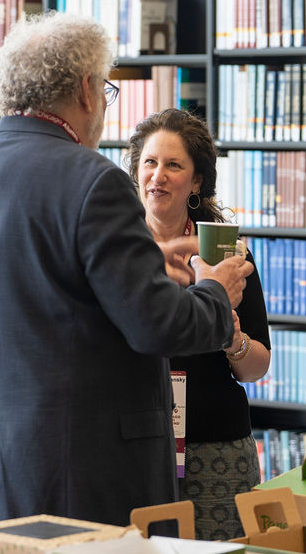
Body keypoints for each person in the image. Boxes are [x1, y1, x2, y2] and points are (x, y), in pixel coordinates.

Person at [0, 12, 253, 527]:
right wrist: (214, 289)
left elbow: (40, 292)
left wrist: (145, 262)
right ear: (85, 89)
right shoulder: (95, 180)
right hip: (79, 462)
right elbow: (158, 326)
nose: (103, 105)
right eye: (105, 88)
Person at [127, 108, 270, 540]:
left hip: (216, 448)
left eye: (174, 165)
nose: (158, 176)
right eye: (149, 163)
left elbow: (257, 367)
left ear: (197, 181)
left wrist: (229, 333)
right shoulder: (115, 250)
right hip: (132, 443)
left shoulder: (227, 252)